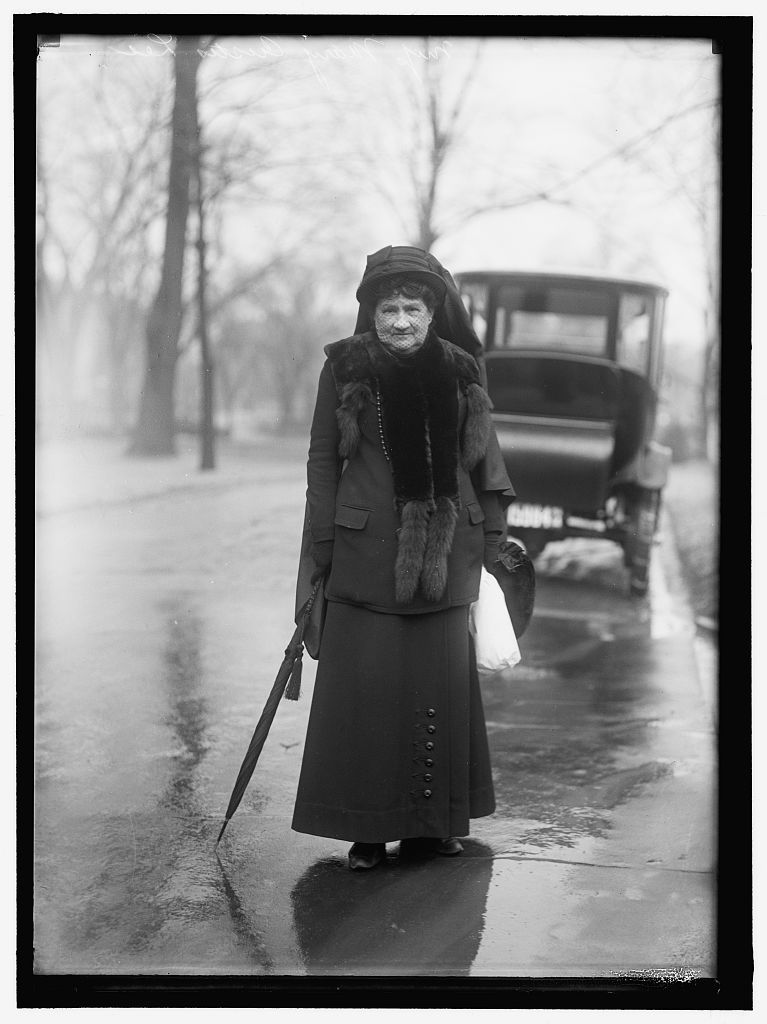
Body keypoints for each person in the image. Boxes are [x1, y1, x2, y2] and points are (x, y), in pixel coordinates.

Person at [291, 245, 514, 871]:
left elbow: (485, 459)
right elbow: (321, 460)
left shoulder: (463, 368)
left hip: (449, 554)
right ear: (371, 312)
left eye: (411, 308)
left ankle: (431, 825)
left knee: (436, 689)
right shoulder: (344, 368)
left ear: (431, 311)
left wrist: (493, 541)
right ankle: (368, 829)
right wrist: (323, 545)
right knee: (369, 691)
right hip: (366, 554)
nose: (399, 321)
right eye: (387, 308)